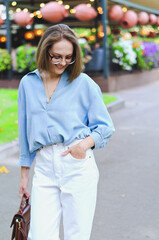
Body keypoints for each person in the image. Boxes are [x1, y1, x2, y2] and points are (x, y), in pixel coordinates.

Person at [18, 24, 115, 240]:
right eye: (57, 57)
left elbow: (105, 127)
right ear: (45, 52)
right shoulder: (28, 83)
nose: (63, 62)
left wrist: (83, 145)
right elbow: (25, 130)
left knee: (76, 235)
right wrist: (24, 174)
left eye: (68, 57)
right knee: (40, 235)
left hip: (77, 166)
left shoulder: (83, 84)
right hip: (43, 167)